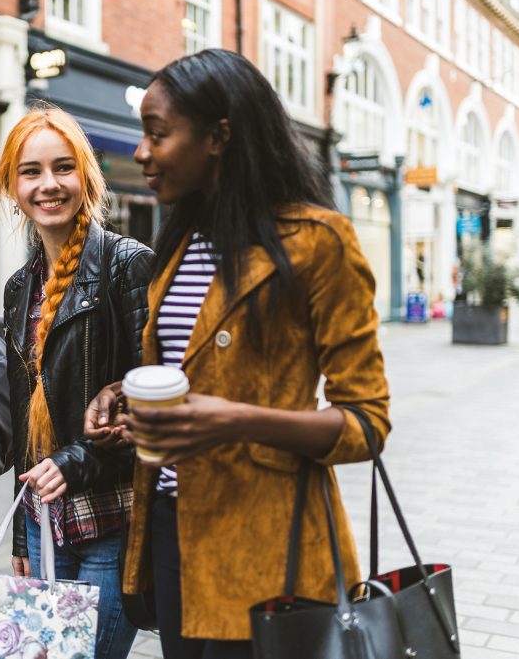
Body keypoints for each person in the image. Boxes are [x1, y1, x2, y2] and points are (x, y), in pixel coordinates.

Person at [84, 49, 391, 659]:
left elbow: (367, 423)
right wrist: (124, 392)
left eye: (157, 133)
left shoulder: (319, 242)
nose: (140, 152)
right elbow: (193, 363)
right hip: (171, 526)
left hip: (267, 544)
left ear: (219, 137)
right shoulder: (181, 241)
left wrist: (234, 419)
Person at [0, 106, 155, 659]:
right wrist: (22, 530)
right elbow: (23, 418)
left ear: (86, 176)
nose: (49, 184)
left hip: (115, 519)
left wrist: (75, 461)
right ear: (12, 186)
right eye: (31, 171)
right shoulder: (20, 287)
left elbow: (153, 399)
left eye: (63, 167)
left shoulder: (127, 265)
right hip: (45, 522)